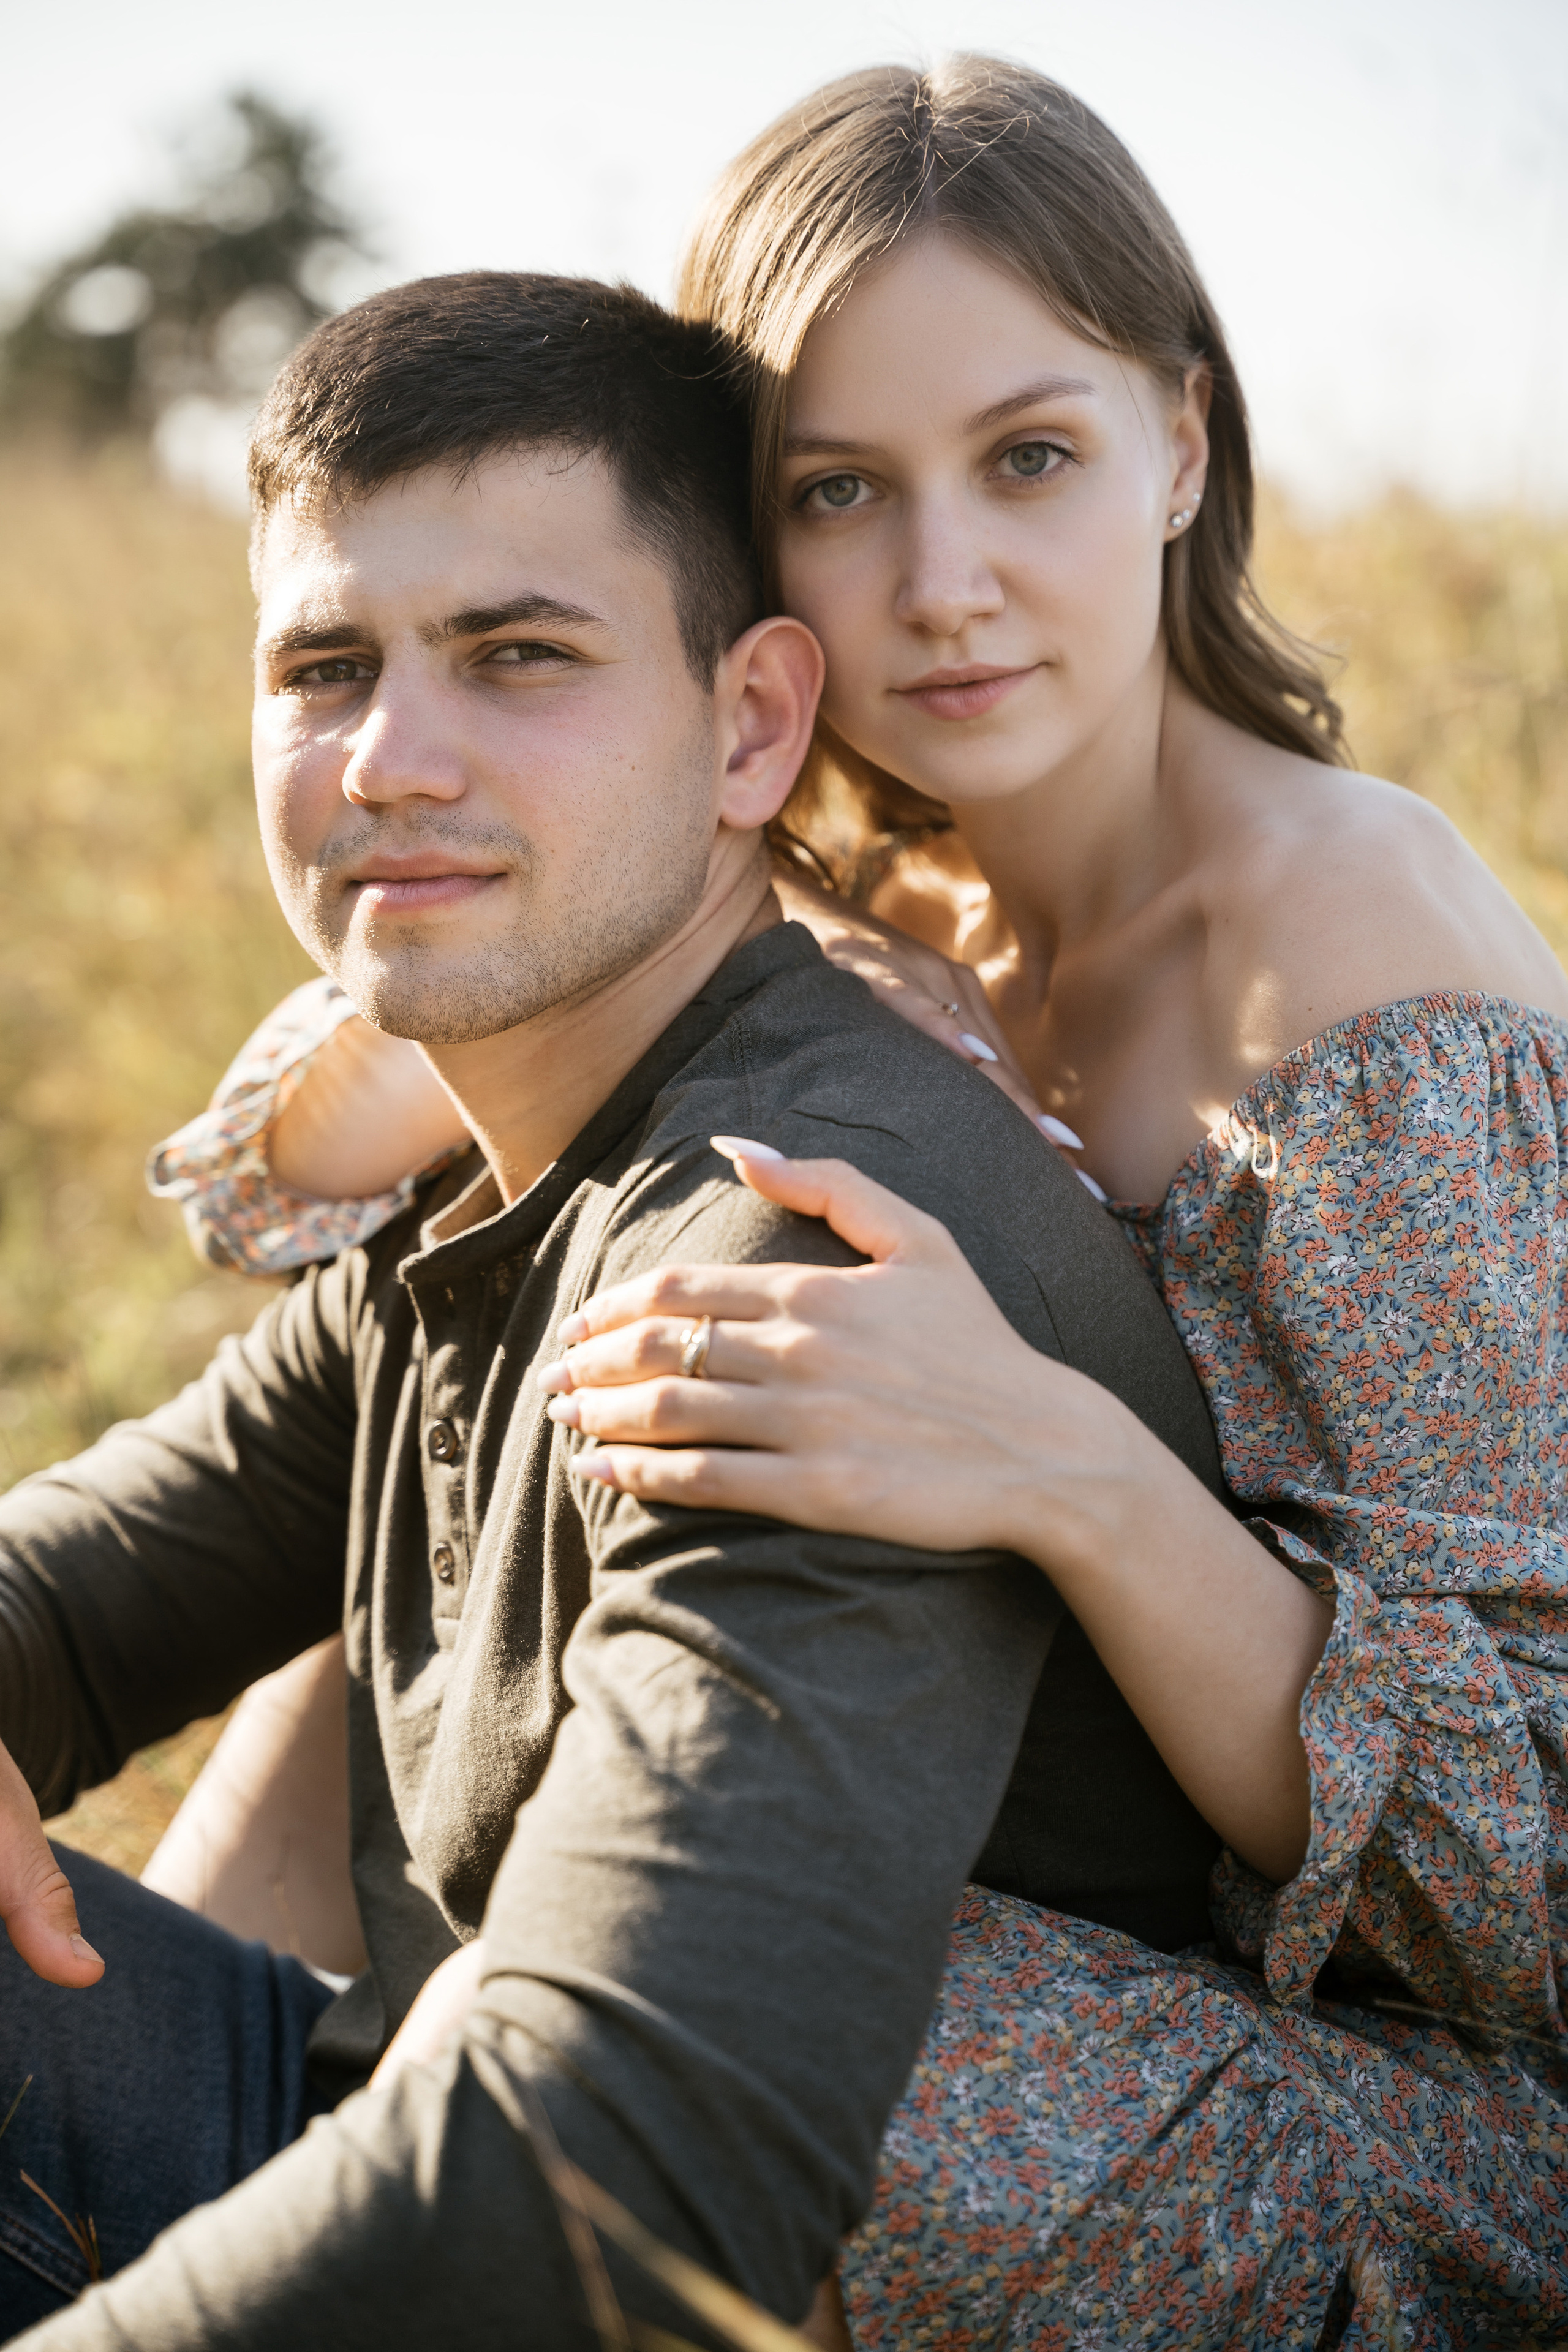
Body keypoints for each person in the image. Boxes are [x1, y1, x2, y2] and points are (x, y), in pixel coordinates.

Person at [153, 58, 1568, 2350]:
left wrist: (1070, 1471)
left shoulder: (1355, 972)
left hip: (1423, 2092)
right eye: (838, 491)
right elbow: (271, 1190)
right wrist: (542, 938)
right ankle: (212, 2188)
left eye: (1030, 458)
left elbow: (1535, 1887)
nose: (944, 585)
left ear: (1180, 445)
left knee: (763, 2044)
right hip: (1039, 1882)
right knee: (454, 1476)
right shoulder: (870, 888)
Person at [0, 267, 1228, 2346]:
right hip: (376, 2125)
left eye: (520, 656)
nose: (392, 760)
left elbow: (625, 2177)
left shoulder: (804, 1250)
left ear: (752, 726)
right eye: (326, 666)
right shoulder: (510, 1143)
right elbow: (84, 1590)